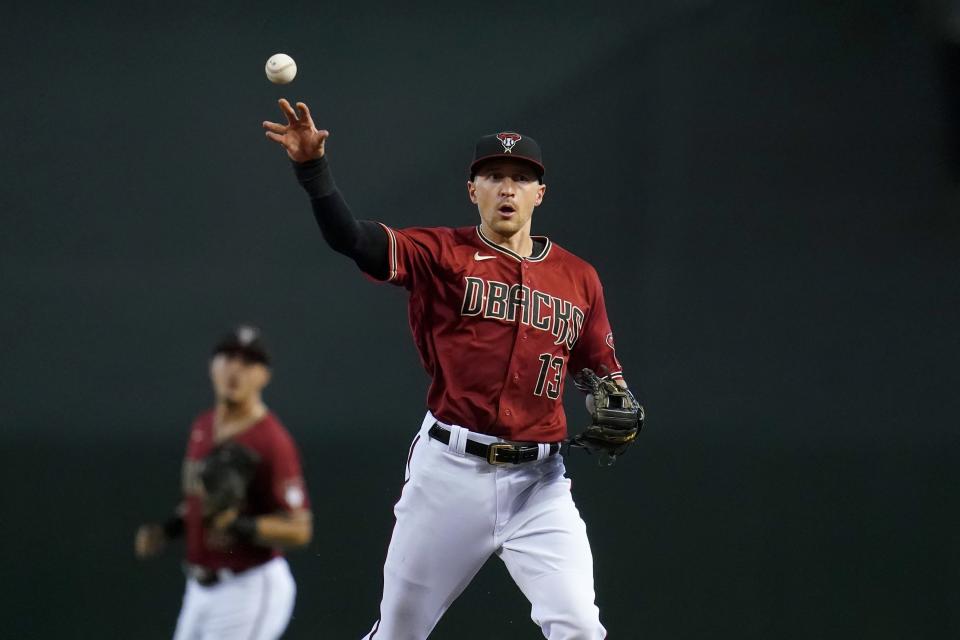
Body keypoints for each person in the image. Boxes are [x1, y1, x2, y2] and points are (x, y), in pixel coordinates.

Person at [263, 98, 641, 639]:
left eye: (519, 178)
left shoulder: (579, 277)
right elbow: (351, 239)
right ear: (473, 190)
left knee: (580, 627)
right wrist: (312, 169)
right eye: (493, 176)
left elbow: (598, 366)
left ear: (540, 193)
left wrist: (618, 396)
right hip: (451, 474)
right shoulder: (441, 254)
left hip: (541, 484)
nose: (506, 188)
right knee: (400, 631)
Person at [135, 325, 313, 640]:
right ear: (212, 365)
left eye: (249, 362)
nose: (236, 368)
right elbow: (196, 500)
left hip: (248, 587)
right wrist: (167, 530)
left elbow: (300, 529)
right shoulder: (203, 425)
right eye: (228, 357)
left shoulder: (272, 441)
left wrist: (240, 525)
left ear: (264, 376)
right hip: (199, 587)